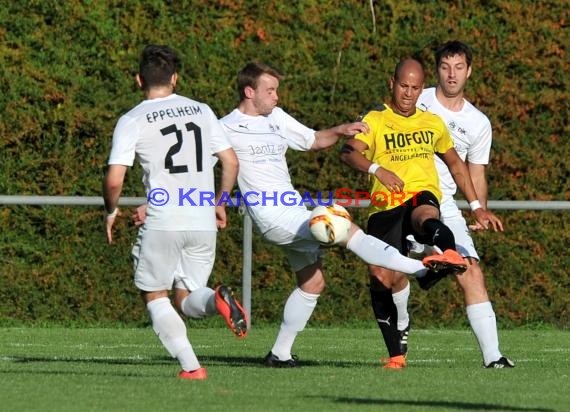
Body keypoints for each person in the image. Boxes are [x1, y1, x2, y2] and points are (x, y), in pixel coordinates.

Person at [219, 61, 464, 368]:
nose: (277, 97)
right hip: (272, 217)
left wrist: (339, 130)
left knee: (313, 283)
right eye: (271, 90)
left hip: (293, 209)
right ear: (249, 91)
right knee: (344, 226)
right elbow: (211, 166)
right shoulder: (224, 127)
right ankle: (421, 271)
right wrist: (217, 201)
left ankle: (279, 354)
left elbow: (312, 141)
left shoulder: (276, 117)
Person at [340, 58, 503, 368]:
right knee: (381, 276)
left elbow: (456, 164)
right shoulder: (374, 119)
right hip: (385, 205)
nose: (409, 94)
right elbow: (348, 152)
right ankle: (396, 354)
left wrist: (478, 207)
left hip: (421, 195)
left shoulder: (432, 122)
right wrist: (378, 169)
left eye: (415, 88)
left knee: (426, 215)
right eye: (404, 86)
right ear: (392, 82)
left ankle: (449, 254)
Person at [103, 44, 247, 380]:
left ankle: (192, 367)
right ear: (175, 78)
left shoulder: (132, 119)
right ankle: (216, 301)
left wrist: (111, 210)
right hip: (201, 219)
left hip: (164, 219)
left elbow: (114, 180)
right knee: (187, 298)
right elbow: (231, 162)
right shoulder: (201, 110)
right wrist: (220, 203)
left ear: (139, 80)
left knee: (155, 294)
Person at [402, 40, 513, 368]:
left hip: (445, 203)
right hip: (403, 197)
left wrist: (479, 208)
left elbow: (475, 171)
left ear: (469, 71)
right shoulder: (417, 100)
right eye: (445, 67)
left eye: (459, 67)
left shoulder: (478, 123)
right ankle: (422, 255)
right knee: (389, 272)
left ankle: (494, 357)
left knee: (471, 270)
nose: (452, 74)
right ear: (436, 71)